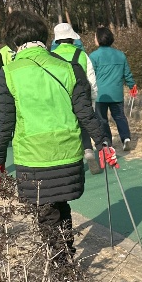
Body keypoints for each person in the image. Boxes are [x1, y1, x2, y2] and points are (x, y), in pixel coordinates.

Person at [0, 10, 114, 263]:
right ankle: (66, 258)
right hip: (67, 153)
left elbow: (3, 122)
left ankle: (61, 267)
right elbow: (85, 112)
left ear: (13, 40)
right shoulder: (69, 67)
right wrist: (102, 142)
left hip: (33, 157)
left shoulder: (10, 72)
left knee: (46, 212)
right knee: (60, 206)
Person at [50, 22, 101, 175]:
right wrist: (92, 101)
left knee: (66, 128)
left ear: (56, 40)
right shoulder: (82, 55)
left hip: (60, 98)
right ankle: (88, 151)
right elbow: (91, 80)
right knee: (84, 124)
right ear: (73, 38)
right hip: (82, 96)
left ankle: (70, 161)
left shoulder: (51, 57)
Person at [89, 26, 136, 151]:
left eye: (95, 37)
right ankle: (126, 138)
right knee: (120, 116)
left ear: (99, 39)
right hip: (116, 93)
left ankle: (107, 142)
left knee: (102, 119)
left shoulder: (93, 56)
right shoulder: (120, 55)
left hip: (100, 94)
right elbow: (127, 74)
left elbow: (90, 75)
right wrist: (132, 86)